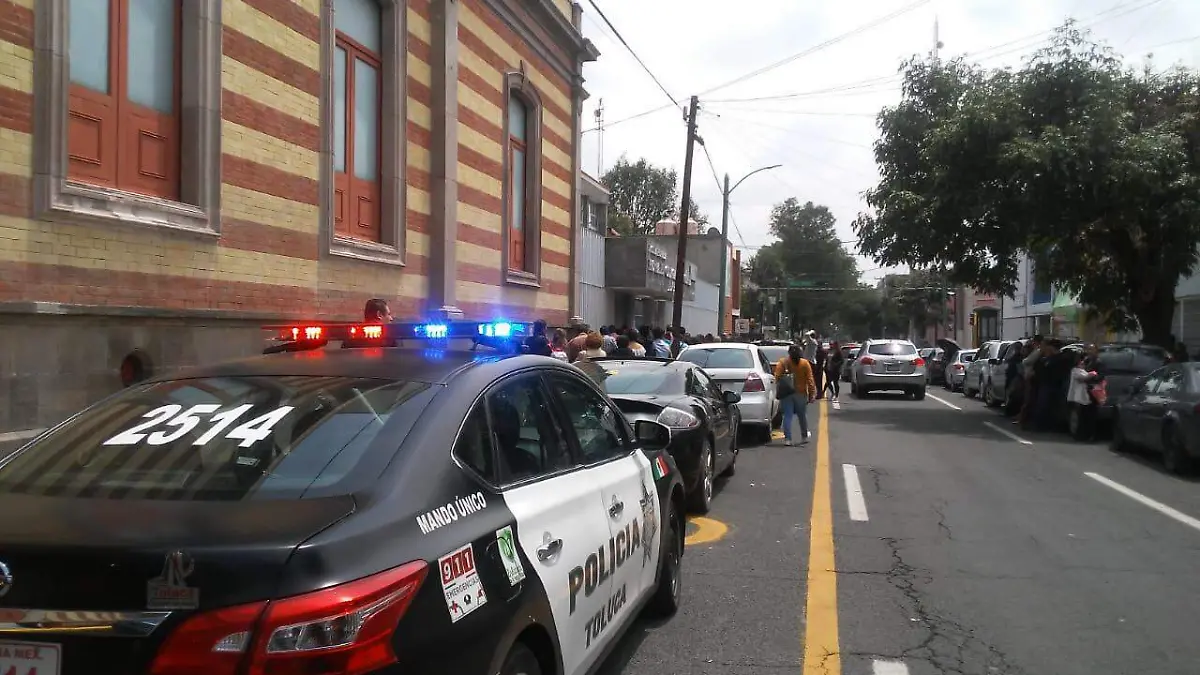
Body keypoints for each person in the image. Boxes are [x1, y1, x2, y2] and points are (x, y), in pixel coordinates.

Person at [774, 344, 817, 446]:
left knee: (787, 416)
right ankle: (804, 437)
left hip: (787, 393)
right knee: (802, 416)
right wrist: (812, 394)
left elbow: (777, 377)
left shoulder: (783, 362)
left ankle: (788, 439)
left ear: (789, 353)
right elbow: (810, 380)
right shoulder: (805, 363)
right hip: (801, 393)